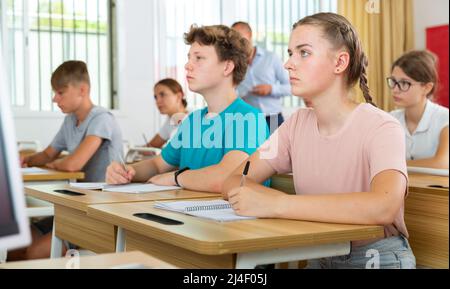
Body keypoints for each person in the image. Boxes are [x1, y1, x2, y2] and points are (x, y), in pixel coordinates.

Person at [223, 13, 416, 269]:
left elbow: (383, 207)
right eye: (291, 53)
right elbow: (234, 180)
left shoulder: (382, 126)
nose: (288, 64)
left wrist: (279, 203)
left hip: (376, 258)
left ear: (340, 62)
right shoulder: (294, 125)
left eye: (303, 53)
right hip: (319, 253)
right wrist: (262, 199)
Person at [106, 25, 269, 193]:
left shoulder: (248, 119)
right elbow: (157, 164)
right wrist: (127, 171)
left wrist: (176, 177)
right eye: (189, 58)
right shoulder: (192, 121)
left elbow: (226, 178)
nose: (187, 65)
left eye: (198, 58)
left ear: (227, 67)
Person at [12, 60, 123, 260]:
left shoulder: (102, 118)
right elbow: (47, 155)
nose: (55, 98)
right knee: (14, 245)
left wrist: (54, 164)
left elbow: (73, 164)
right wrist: (24, 160)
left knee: (35, 252)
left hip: (101, 211)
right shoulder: (70, 120)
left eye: (60, 92)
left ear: (82, 90)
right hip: (75, 207)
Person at [389, 50, 449, 169]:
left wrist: (392, 165)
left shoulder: (445, 119)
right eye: (393, 81)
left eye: (404, 83)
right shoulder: (390, 119)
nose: (395, 89)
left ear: (426, 88)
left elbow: (442, 163)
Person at [232, 22, 291, 133]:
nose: (239, 44)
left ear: (250, 35)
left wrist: (271, 89)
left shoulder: (271, 58)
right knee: (252, 151)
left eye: (241, 39)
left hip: (273, 118)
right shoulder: (233, 65)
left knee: (276, 150)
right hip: (248, 121)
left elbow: (290, 87)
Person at [145, 78, 189, 149]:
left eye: (162, 95)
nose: (158, 101)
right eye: (156, 97)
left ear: (179, 96)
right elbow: (151, 146)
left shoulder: (195, 119)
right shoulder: (170, 121)